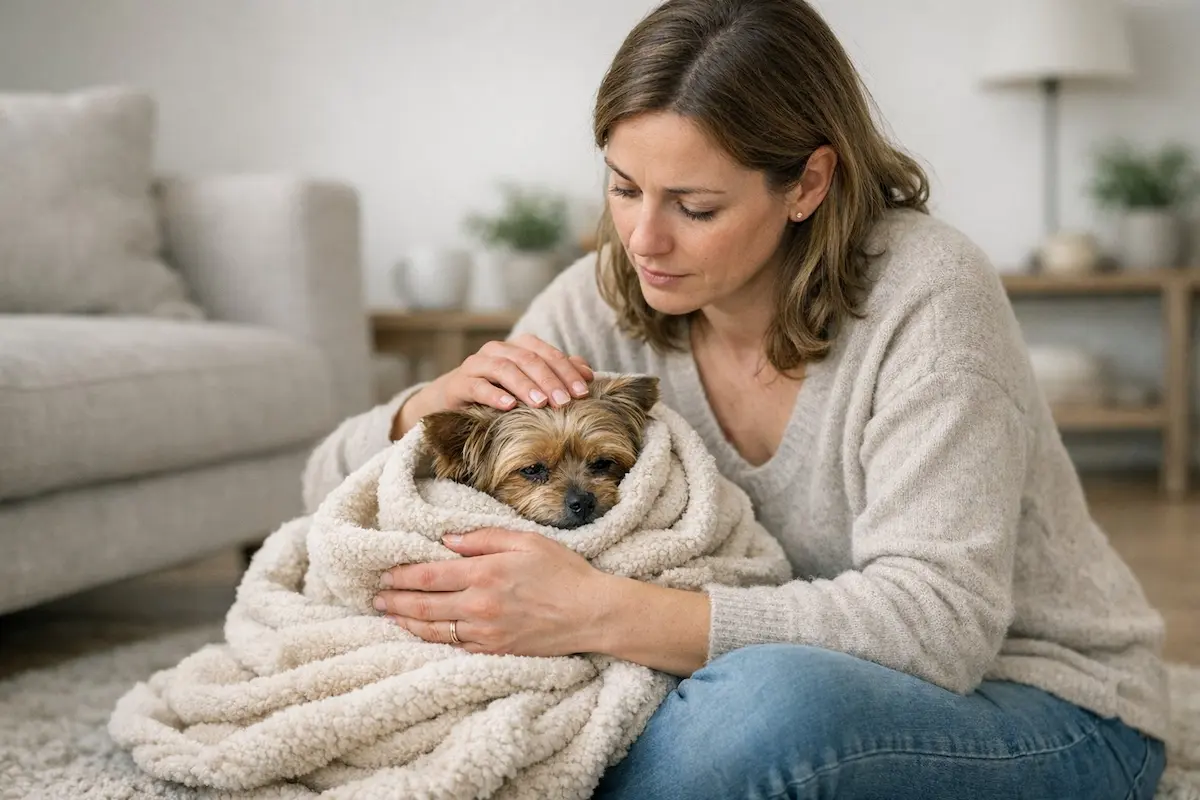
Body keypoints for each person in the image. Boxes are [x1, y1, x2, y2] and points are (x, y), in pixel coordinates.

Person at [303, 0, 1168, 796]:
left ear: (808, 184)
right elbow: (324, 497)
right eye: (624, 188)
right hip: (747, 677)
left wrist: (597, 611)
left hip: (1037, 703)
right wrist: (422, 410)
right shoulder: (599, 300)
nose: (643, 240)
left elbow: (937, 628)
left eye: (695, 206)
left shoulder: (931, 298)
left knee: (765, 710)